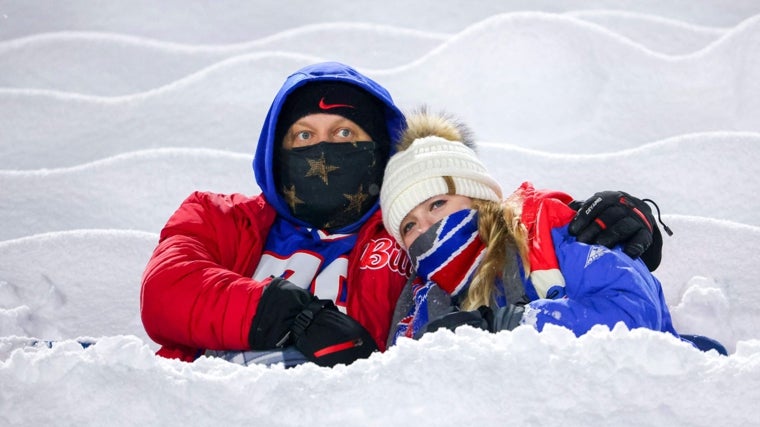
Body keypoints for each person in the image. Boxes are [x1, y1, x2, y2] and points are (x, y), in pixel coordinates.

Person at [140, 62, 671, 368]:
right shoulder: (219, 218)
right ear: (274, 152)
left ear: (378, 154)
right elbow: (165, 291)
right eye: (303, 136)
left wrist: (594, 216)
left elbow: (486, 215)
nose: (323, 151)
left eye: (345, 134)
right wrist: (288, 314)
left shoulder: (400, 235)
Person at [380, 108, 726, 355]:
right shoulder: (424, 301)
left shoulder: (551, 232)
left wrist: (512, 324)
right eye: (409, 225)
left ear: (478, 198)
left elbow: (636, 314)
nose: (427, 227)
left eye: (437, 204)